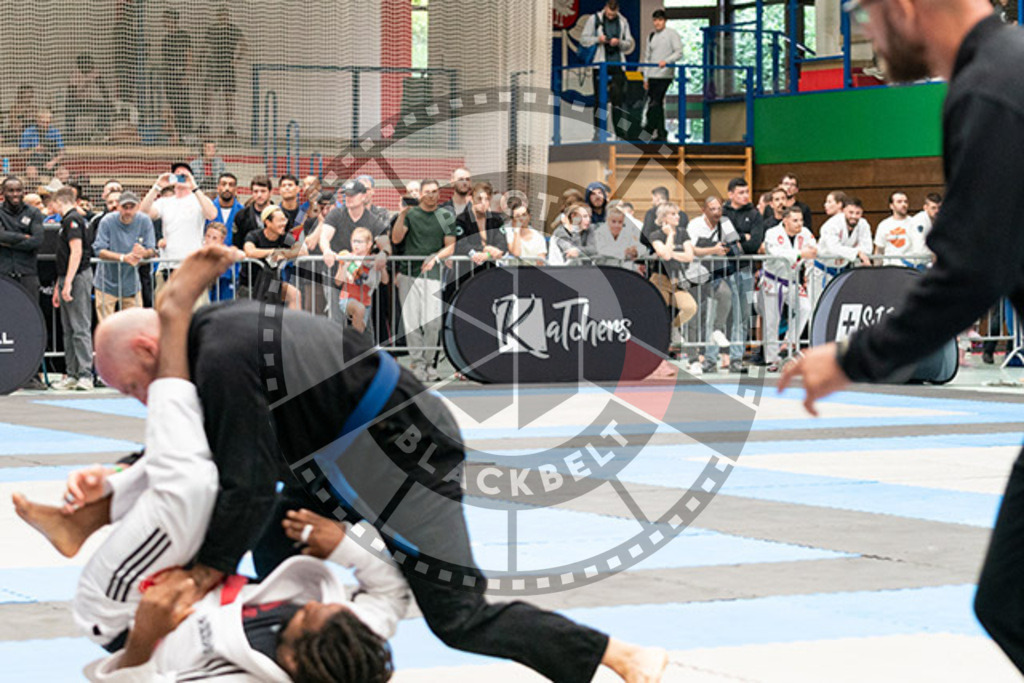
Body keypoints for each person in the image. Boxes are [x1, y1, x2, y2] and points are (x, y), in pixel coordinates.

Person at [13, 248, 407, 682]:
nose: (314, 602)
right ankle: (86, 518)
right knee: (206, 459)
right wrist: (343, 545)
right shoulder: (355, 642)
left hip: (121, 611)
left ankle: (175, 312)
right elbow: (393, 587)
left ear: (292, 664)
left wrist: (145, 640)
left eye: (307, 617)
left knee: (189, 484)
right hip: (183, 580)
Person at [776, 2, 1024, 674]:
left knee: (1012, 599)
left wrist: (853, 357)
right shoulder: (1002, 73)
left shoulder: (991, 91)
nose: (863, 32)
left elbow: (969, 273)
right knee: (1012, 600)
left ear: (906, 9)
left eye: (863, 14)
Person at [391, 179, 457, 381]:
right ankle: (417, 363)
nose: (432, 195)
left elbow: (450, 246)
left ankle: (430, 363)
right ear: (420, 194)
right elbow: (396, 238)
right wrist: (402, 214)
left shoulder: (446, 215)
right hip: (409, 273)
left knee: (433, 322)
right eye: (427, 192)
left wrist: (435, 257)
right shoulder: (410, 214)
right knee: (412, 323)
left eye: (435, 191)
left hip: (433, 275)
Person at [140, 163, 217, 297]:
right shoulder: (165, 202)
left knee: (194, 311)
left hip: (193, 265)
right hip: (168, 265)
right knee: (166, 311)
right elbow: (143, 213)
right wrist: (157, 187)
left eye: (184, 175)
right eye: (178, 175)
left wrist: (194, 187)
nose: (181, 178)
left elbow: (212, 214)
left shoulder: (198, 200)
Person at [686, 197, 742, 373]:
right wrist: (713, 250)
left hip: (715, 273)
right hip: (694, 274)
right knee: (693, 317)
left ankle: (717, 328)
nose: (717, 212)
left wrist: (729, 249)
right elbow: (692, 249)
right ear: (704, 210)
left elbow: (737, 246)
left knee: (725, 294)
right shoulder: (694, 225)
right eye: (712, 209)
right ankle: (693, 357)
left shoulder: (725, 223)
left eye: (719, 209)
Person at [0, 176, 46, 389]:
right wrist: (23, 238)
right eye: (10, 191)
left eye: (18, 190)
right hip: (4, 276)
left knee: (29, 323)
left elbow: (37, 241)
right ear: (3, 193)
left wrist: (8, 239)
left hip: (28, 274)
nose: (15, 195)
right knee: (4, 322)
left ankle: (32, 374)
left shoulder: (34, 212)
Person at [761, 206, 816, 372]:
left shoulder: (805, 233)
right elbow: (776, 252)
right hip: (773, 281)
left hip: (792, 280)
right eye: (795, 220)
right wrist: (800, 254)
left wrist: (807, 270)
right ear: (785, 221)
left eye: (801, 220)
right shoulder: (772, 233)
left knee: (805, 308)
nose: (799, 223)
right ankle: (772, 359)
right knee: (772, 321)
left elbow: (813, 251)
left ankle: (788, 342)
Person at [643, 202, 699, 358]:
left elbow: (689, 256)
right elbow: (665, 255)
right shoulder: (656, 235)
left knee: (690, 307)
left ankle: (674, 327)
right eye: (673, 214)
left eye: (678, 214)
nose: (677, 217)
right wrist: (670, 236)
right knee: (660, 313)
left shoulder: (684, 233)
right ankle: (658, 349)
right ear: (664, 217)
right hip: (660, 278)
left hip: (676, 279)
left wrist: (672, 252)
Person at [52, 186, 94, 390]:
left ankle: (86, 373)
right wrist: (59, 286)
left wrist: (68, 282)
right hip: (66, 276)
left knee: (80, 327)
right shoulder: (65, 221)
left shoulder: (73, 220)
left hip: (77, 276)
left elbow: (76, 252)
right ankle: (72, 373)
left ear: (59, 202)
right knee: (68, 329)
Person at [92, 191, 156, 320]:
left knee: (135, 326)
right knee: (106, 327)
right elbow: (99, 250)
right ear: (118, 207)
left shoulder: (145, 221)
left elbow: (152, 250)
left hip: (132, 284)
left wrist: (144, 253)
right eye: (124, 207)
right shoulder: (107, 221)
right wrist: (123, 258)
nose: (128, 211)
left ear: (138, 207)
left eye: (131, 207)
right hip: (105, 283)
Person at [580, 0, 635, 139]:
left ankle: (620, 133)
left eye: (613, 15)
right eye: (609, 15)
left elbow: (629, 43)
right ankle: (599, 132)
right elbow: (583, 39)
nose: (610, 17)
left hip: (617, 64)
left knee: (619, 101)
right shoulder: (595, 19)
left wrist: (619, 42)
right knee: (599, 100)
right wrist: (598, 39)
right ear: (605, 8)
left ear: (617, 11)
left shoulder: (623, 21)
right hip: (600, 64)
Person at [810, 195, 873, 305]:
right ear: (844, 211)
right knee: (817, 306)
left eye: (857, 213)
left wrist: (858, 253)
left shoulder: (863, 224)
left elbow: (868, 247)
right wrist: (857, 252)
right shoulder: (832, 224)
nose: (854, 216)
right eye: (851, 212)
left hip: (841, 271)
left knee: (837, 306)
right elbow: (833, 248)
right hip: (821, 271)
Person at [244, 204, 306, 310]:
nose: (284, 224)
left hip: (273, 283)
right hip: (250, 284)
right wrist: (274, 252)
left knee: (294, 294)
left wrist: (284, 253)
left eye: (284, 220)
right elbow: (249, 251)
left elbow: (303, 252)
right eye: (280, 221)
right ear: (267, 222)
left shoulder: (284, 237)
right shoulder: (254, 235)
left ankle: (294, 325)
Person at [202, 7, 246, 137]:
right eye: (220, 16)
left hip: (227, 66)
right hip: (214, 65)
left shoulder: (233, 29)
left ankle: (230, 125)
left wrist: (236, 60)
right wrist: (201, 62)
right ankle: (206, 123)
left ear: (228, 17)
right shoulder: (212, 29)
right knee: (208, 94)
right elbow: (205, 47)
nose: (222, 18)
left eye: (224, 16)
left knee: (229, 96)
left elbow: (243, 44)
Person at [336, 227, 388, 335]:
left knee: (361, 330)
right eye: (354, 241)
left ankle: (354, 347)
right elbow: (337, 282)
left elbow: (385, 281)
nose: (356, 245)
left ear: (369, 244)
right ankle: (355, 348)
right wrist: (344, 265)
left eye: (359, 242)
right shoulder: (347, 257)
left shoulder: (373, 260)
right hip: (347, 299)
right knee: (359, 310)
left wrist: (382, 267)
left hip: (366, 301)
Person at [642, 9, 682, 142]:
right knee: (656, 103)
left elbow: (679, 52)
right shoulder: (651, 36)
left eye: (660, 20)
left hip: (665, 75)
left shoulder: (672, 34)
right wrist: (645, 77)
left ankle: (648, 129)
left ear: (665, 21)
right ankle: (661, 133)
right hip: (653, 75)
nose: (657, 23)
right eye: (655, 20)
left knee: (655, 102)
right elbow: (647, 57)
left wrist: (667, 61)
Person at [159, 9, 193, 135]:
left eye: (166, 20)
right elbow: (165, 61)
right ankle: (176, 132)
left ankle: (187, 132)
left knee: (183, 103)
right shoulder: (165, 40)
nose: (165, 23)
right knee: (172, 103)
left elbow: (189, 55)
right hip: (169, 76)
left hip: (180, 74)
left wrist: (186, 75)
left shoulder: (183, 36)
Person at [65, 54, 110, 143]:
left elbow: (102, 87)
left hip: (88, 100)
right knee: (69, 110)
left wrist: (107, 101)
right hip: (75, 101)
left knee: (105, 108)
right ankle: (70, 134)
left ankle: (99, 131)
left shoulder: (93, 72)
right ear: (81, 65)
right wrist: (81, 102)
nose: (91, 66)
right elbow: (71, 94)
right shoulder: (75, 74)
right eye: (89, 64)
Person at [874, 190, 926, 267]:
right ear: (891, 206)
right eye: (899, 202)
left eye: (905, 202)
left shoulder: (915, 223)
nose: (903, 204)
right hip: (890, 267)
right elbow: (879, 250)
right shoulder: (884, 225)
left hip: (909, 267)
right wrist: (876, 270)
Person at [506, 200, 547, 265]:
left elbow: (541, 262)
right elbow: (516, 253)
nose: (521, 218)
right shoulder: (509, 235)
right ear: (513, 219)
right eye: (517, 216)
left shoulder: (538, 237)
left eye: (524, 215)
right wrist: (517, 231)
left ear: (529, 217)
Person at [209, 172, 244, 236]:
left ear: (236, 189)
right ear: (218, 188)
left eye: (231, 185)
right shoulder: (208, 208)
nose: (227, 188)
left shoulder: (243, 211)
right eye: (223, 184)